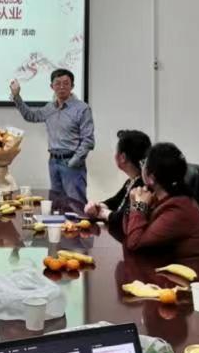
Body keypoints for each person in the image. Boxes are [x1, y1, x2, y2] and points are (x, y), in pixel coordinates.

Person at [122, 142, 199, 296]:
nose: (142, 167)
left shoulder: (177, 209)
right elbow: (129, 233)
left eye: (144, 163)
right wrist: (134, 204)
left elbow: (134, 243)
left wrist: (138, 206)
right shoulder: (161, 198)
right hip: (174, 277)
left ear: (151, 178)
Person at [9, 69, 95, 203]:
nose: (62, 87)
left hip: (72, 163)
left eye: (66, 83)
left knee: (76, 204)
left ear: (72, 86)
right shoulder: (50, 108)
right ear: (51, 86)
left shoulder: (82, 108)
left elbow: (88, 140)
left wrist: (74, 161)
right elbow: (30, 116)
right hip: (53, 162)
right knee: (56, 204)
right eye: (58, 83)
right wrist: (16, 96)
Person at [85, 130, 151, 238]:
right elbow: (115, 201)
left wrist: (101, 213)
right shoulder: (133, 181)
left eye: (116, 151)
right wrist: (99, 206)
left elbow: (124, 218)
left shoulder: (142, 188)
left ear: (122, 157)